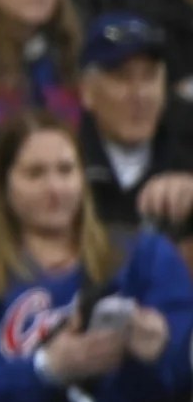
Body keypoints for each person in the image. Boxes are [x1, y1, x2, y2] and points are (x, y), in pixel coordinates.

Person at [0, 110, 193, 402]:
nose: (55, 188)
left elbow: (183, 372)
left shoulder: (146, 255)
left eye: (66, 170)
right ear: (3, 185)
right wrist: (48, 367)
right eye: (35, 174)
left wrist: (161, 349)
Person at [75, 13, 193, 238]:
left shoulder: (188, 145)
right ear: (87, 92)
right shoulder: (67, 161)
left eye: (150, 77)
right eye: (122, 77)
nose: (139, 95)